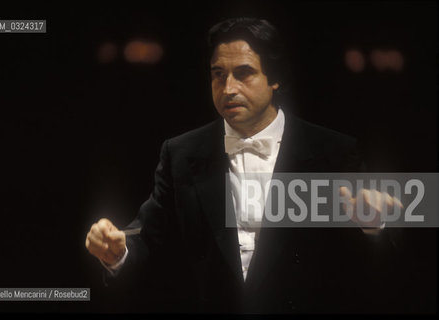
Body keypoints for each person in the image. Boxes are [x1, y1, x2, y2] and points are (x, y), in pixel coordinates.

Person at [85, 17, 402, 313]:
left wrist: (372, 226)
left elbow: (368, 269)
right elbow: (148, 237)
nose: (228, 89)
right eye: (218, 74)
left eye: (244, 73)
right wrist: (118, 253)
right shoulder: (181, 153)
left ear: (274, 79)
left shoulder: (332, 152)